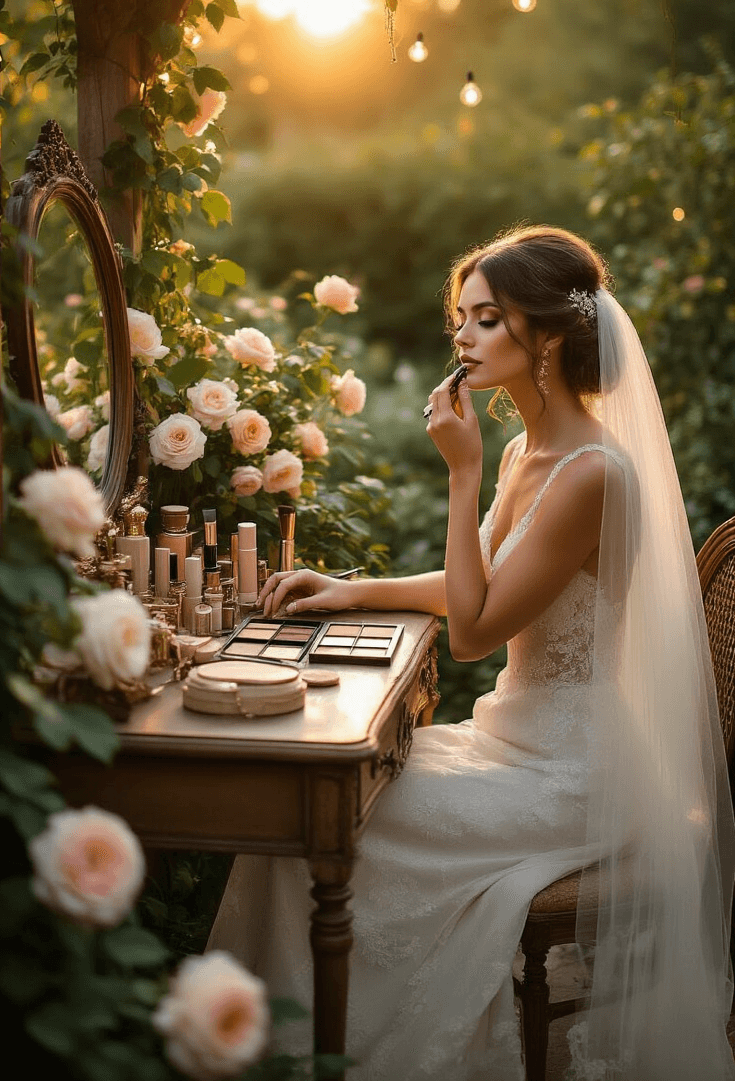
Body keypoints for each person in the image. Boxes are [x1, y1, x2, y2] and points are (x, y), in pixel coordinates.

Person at [208, 225, 735, 1080]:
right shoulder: (533, 450)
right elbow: (480, 580)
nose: (461, 337)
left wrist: (460, 473)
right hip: (512, 743)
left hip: (575, 774)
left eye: (487, 319)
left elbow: (472, 632)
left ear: (550, 337)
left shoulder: (593, 474)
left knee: (323, 820)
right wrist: (349, 589)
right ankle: (276, 1043)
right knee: (303, 807)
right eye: (462, 317)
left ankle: (311, 1048)